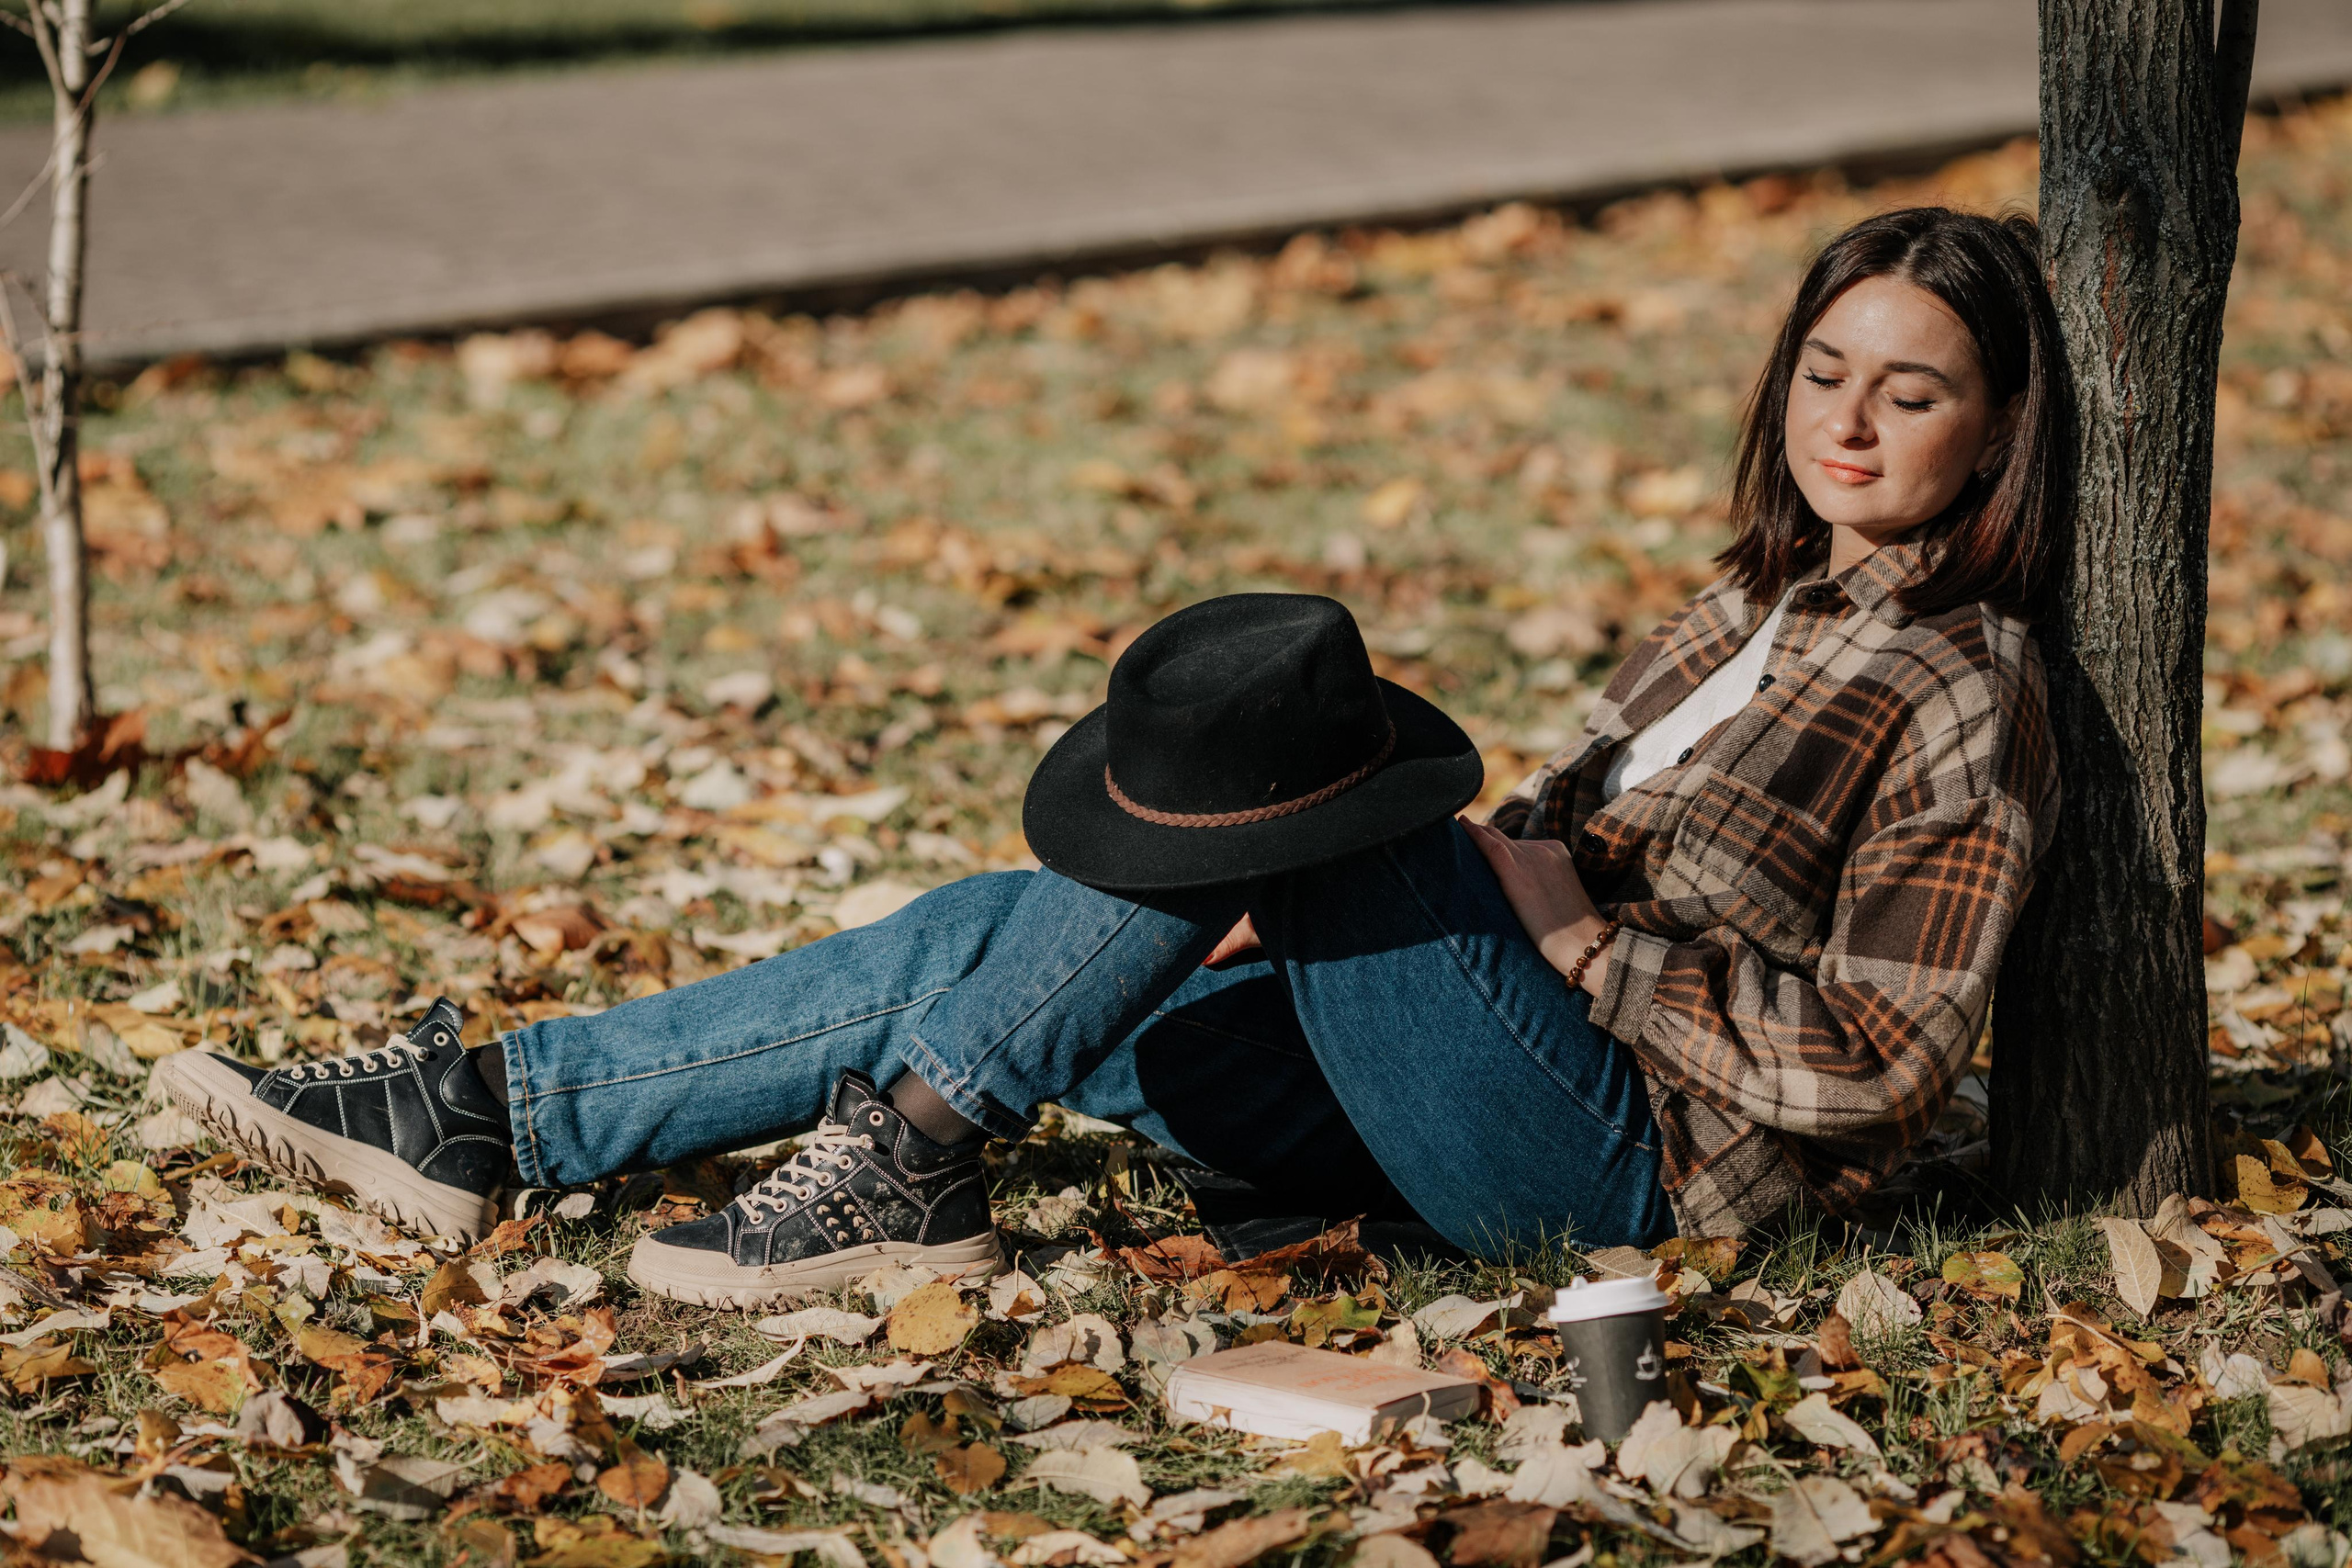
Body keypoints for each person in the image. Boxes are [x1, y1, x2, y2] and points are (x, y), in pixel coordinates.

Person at [159, 205, 2061, 1307]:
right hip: (1446, 1068)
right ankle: (486, 1115)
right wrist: (1290, 940)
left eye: (1910, 393)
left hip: (1629, 1164)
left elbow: (1879, 1067)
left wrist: (1578, 945)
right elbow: (1502, 871)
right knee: (1014, 919)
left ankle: (915, 1152)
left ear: (1990, 431)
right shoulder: (1738, 609)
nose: (1850, 423)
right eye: (1824, 371)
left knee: (1312, 761)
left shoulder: (1957, 691)